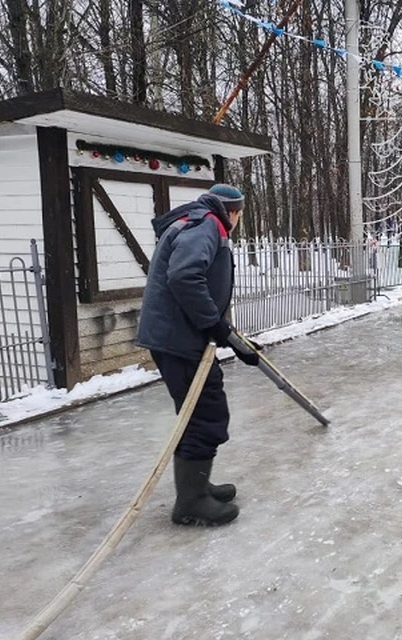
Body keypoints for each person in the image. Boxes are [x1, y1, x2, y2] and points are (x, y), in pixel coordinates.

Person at [136, 184, 263, 527]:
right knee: (205, 412)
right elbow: (185, 276)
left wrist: (226, 335)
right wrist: (214, 325)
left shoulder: (199, 221)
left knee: (198, 411)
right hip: (177, 337)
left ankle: (196, 484)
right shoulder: (206, 225)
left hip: (178, 335)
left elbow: (198, 282)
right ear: (233, 211)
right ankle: (191, 502)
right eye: (239, 213)